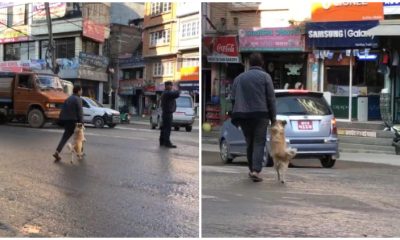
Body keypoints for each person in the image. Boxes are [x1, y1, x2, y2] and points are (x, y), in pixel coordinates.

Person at [231, 52, 277, 182]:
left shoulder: (239, 78)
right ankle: (256, 171)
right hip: (261, 115)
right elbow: (271, 99)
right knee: (259, 142)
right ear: (262, 63)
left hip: (244, 115)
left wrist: (236, 114)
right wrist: (273, 118)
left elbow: (233, 98)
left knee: (249, 142)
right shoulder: (265, 77)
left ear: (250, 63)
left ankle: (252, 169)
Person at [53, 85, 84, 162]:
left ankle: (57, 152)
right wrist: (81, 122)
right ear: (78, 91)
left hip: (67, 121)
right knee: (80, 138)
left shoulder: (68, 99)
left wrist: (61, 120)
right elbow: (80, 112)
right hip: (75, 122)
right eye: (81, 90)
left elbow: (63, 110)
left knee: (64, 138)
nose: (82, 92)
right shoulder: (78, 99)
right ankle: (80, 153)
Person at [159, 81, 180, 148]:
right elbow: (176, 94)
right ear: (167, 86)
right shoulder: (167, 93)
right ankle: (167, 142)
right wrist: (178, 88)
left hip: (165, 112)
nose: (171, 87)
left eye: (172, 85)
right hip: (167, 113)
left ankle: (162, 141)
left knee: (164, 128)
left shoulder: (165, 93)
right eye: (170, 85)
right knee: (167, 128)